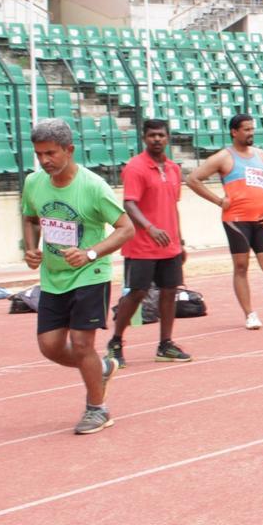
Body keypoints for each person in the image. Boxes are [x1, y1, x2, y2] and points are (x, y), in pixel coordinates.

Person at [20, 119, 135, 435]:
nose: (44, 161)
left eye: (51, 153)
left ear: (69, 150)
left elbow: (126, 228)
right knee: (50, 346)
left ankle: (97, 409)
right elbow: (30, 218)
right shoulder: (34, 183)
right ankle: (102, 368)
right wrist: (30, 248)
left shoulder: (93, 186)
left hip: (89, 274)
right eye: (39, 154)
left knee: (82, 343)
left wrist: (91, 253)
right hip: (53, 276)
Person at [187, 114, 263, 330]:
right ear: (234, 132)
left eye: (252, 129)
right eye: (246, 129)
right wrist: (218, 201)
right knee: (241, 267)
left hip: (261, 219)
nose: (251, 133)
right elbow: (192, 179)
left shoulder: (261, 155)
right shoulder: (223, 158)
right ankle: (250, 314)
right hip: (236, 220)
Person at [106, 119, 191, 366]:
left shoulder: (174, 169)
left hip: (169, 245)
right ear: (144, 137)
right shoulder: (135, 167)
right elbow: (129, 203)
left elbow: (173, 207)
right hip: (142, 245)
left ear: (168, 138)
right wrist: (149, 227)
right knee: (137, 293)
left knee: (169, 292)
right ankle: (116, 342)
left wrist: (180, 240)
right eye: (152, 135)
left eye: (161, 135)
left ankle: (165, 344)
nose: (157, 139)